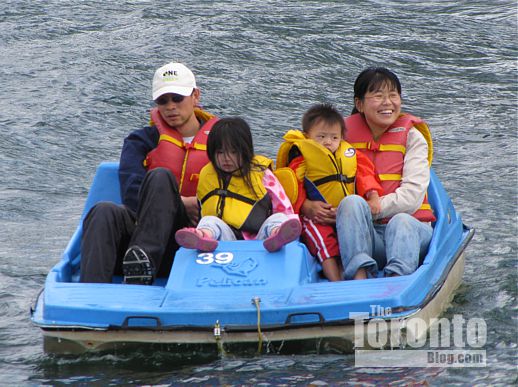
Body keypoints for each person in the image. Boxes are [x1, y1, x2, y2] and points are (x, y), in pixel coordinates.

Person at [80, 62, 218, 285]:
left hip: (193, 242)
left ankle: (141, 268)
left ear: (195, 96)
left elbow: (236, 187)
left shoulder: (221, 140)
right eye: (163, 100)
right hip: (141, 235)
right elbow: (131, 192)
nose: (170, 106)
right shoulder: (140, 141)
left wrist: (199, 206)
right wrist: (179, 202)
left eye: (177, 98)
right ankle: (90, 293)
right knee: (103, 210)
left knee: (160, 176)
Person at [337, 67, 436, 280]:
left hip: (411, 232)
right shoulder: (338, 138)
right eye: (378, 95)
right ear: (359, 104)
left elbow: (412, 197)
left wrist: (374, 207)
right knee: (351, 203)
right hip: (367, 236)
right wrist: (311, 207)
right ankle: (359, 277)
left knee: (400, 221)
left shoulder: (412, 137)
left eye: (393, 95)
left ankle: (396, 283)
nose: (387, 102)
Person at [275, 103, 383, 281]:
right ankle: (336, 281)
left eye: (334, 137)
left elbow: (366, 176)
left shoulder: (350, 155)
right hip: (317, 217)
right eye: (321, 137)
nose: (328, 142)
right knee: (324, 241)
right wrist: (306, 206)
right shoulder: (301, 159)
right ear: (307, 136)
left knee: (351, 236)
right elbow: (294, 187)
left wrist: (373, 196)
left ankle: (359, 275)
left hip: (347, 214)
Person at [175, 117, 301, 252]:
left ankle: (278, 235)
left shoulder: (261, 173)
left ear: (245, 150)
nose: (226, 158)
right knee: (209, 221)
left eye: (234, 152)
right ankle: (202, 237)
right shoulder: (207, 175)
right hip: (225, 241)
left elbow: (283, 206)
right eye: (220, 152)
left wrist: (291, 226)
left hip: (261, 241)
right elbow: (202, 208)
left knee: (279, 218)